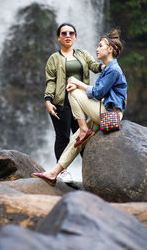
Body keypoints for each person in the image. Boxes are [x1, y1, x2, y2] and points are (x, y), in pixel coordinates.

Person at [33, 29, 127, 186]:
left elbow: (97, 93)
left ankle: (84, 129)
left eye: (100, 46)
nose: (96, 49)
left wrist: (78, 83)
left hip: (109, 114)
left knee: (73, 89)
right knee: (75, 140)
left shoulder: (113, 69)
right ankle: (53, 173)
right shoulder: (108, 68)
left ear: (110, 49)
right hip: (104, 112)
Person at [44, 23, 103, 182]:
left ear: (75, 36)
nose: (68, 35)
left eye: (71, 33)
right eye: (64, 33)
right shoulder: (54, 58)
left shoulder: (83, 54)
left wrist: (107, 66)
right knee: (62, 137)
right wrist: (48, 100)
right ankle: (62, 172)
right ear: (59, 37)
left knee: (84, 137)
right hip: (61, 103)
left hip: (81, 103)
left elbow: (94, 66)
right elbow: (50, 81)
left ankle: (92, 173)